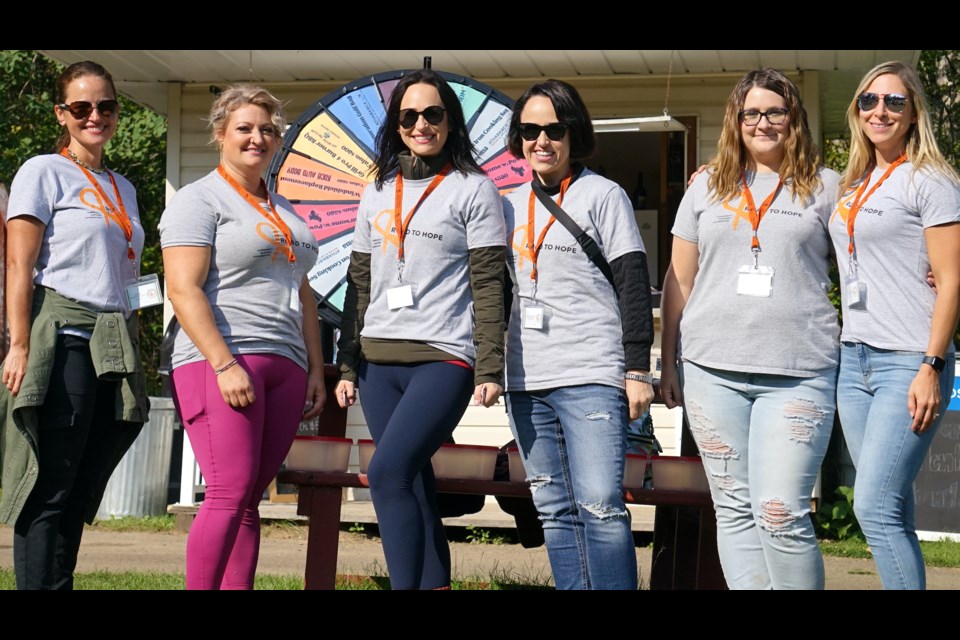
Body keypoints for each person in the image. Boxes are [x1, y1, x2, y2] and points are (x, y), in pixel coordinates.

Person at [660, 68, 841, 589]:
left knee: (781, 513)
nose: (763, 123)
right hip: (710, 370)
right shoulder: (705, 185)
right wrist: (668, 361)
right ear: (735, 122)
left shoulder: (827, 187)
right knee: (735, 510)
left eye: (775, 112)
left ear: (794, 118)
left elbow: (866, 252)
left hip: (799, 371)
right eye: (751, 113)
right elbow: (680, 279)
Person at [334, 69, 505, 590]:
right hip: (377, 362)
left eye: (432, 114)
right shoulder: (377, 190)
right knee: (413, 480)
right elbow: (358, 283)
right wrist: (347, 361)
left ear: (450, 121)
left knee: (386, 474)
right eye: (409, 115)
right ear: (396, 123)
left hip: (443, 357)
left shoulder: (474, 189)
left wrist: (489, 363)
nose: (421, 124)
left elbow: (490, 284)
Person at [159, 84, 326, 590]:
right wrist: (224, 364)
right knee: (228, 493)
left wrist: (316, 368)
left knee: (250, 499)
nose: (257, 138)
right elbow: (183, 289)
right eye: (245, 128)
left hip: (287, 364)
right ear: (220, 135)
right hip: (223, 362)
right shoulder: (199, 199)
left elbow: (305, 295)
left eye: (267, 129)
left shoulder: (284, 209)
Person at [0, 61, 150, 590]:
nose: (95, 116)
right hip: (64, 338)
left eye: (105, 106)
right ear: (62, 114)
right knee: (52, 483)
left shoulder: (124, 187)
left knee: (84, 482)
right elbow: (20, 264)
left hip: (113, 343)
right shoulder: (42, 171)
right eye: (81, 107)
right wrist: (18, 344)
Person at [502, 79, 654, 590]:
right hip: (525, 378)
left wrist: (637, 370)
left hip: (591, 372)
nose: (540, 141)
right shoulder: (505, 204)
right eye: (529, 130)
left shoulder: (603, 195)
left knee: (601, 508)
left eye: (553, 128)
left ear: (574, 132)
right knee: (553, 510)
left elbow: (633, 281)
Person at [830, 61, 960, 590]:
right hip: (853, 360)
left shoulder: (932, 179)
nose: (879, 111)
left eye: (894, 102)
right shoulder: (851, 182)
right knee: (893, 505)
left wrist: (931, 364)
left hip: (908, 359)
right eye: (869, 100)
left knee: (874, 507)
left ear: (913, 115)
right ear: (857, 109)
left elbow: (951, 282)